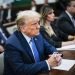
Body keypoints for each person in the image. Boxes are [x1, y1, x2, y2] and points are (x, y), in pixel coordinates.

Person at [4, 10, 62, 75]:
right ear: (23, 28)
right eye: (34, 24)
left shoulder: (37, 35)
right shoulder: (12, 44)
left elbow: (49, 47)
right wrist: (47, 63)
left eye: (38, 23)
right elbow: (20, 69)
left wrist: (55, 55)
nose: (38, 26)